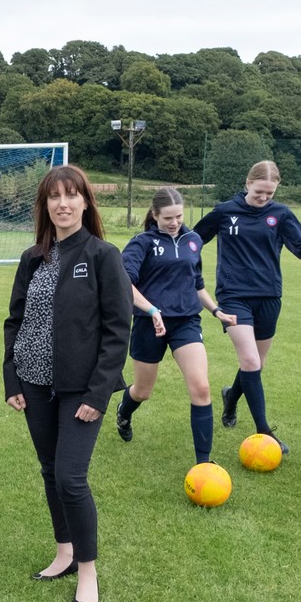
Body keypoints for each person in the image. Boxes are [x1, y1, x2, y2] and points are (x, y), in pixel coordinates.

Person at [4, 165, 130, 602]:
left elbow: (118, 332)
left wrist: (98, 396)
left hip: (82, 390)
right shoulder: (31, 258)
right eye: (54, 196)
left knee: (70, 478)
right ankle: (64, 552)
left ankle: (88, 571)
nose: (63, 203)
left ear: (85, 202)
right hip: (34, 383)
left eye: (71, 195)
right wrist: (11, 377)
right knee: (48, 471)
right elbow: (15, 322)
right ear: (45, 206)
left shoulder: (102, 256)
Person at [192, 160, 301, 451]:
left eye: (270, 193)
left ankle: (231, 398)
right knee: (251, 362)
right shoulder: (225, 212)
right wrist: (188, 270)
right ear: (247, 184)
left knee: (256, 365)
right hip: (233, 296)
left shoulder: (281, 214)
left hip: (268, 297)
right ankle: (265, 432)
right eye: (259, 192)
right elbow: (192, 241)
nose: (264, 198)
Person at [112, 187, 236, 463]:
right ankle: (124, 411)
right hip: (148, 324)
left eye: (178, 216)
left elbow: (197, 285)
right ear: (154, 215)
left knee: (201, 388)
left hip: (186, 323)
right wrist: (152, 309)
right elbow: (124, 284)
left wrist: (217, 311)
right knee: (143, 391)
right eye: (167, 217)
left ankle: (203, 464)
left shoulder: (193, 241)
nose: (174, 222)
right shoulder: (141, 242)